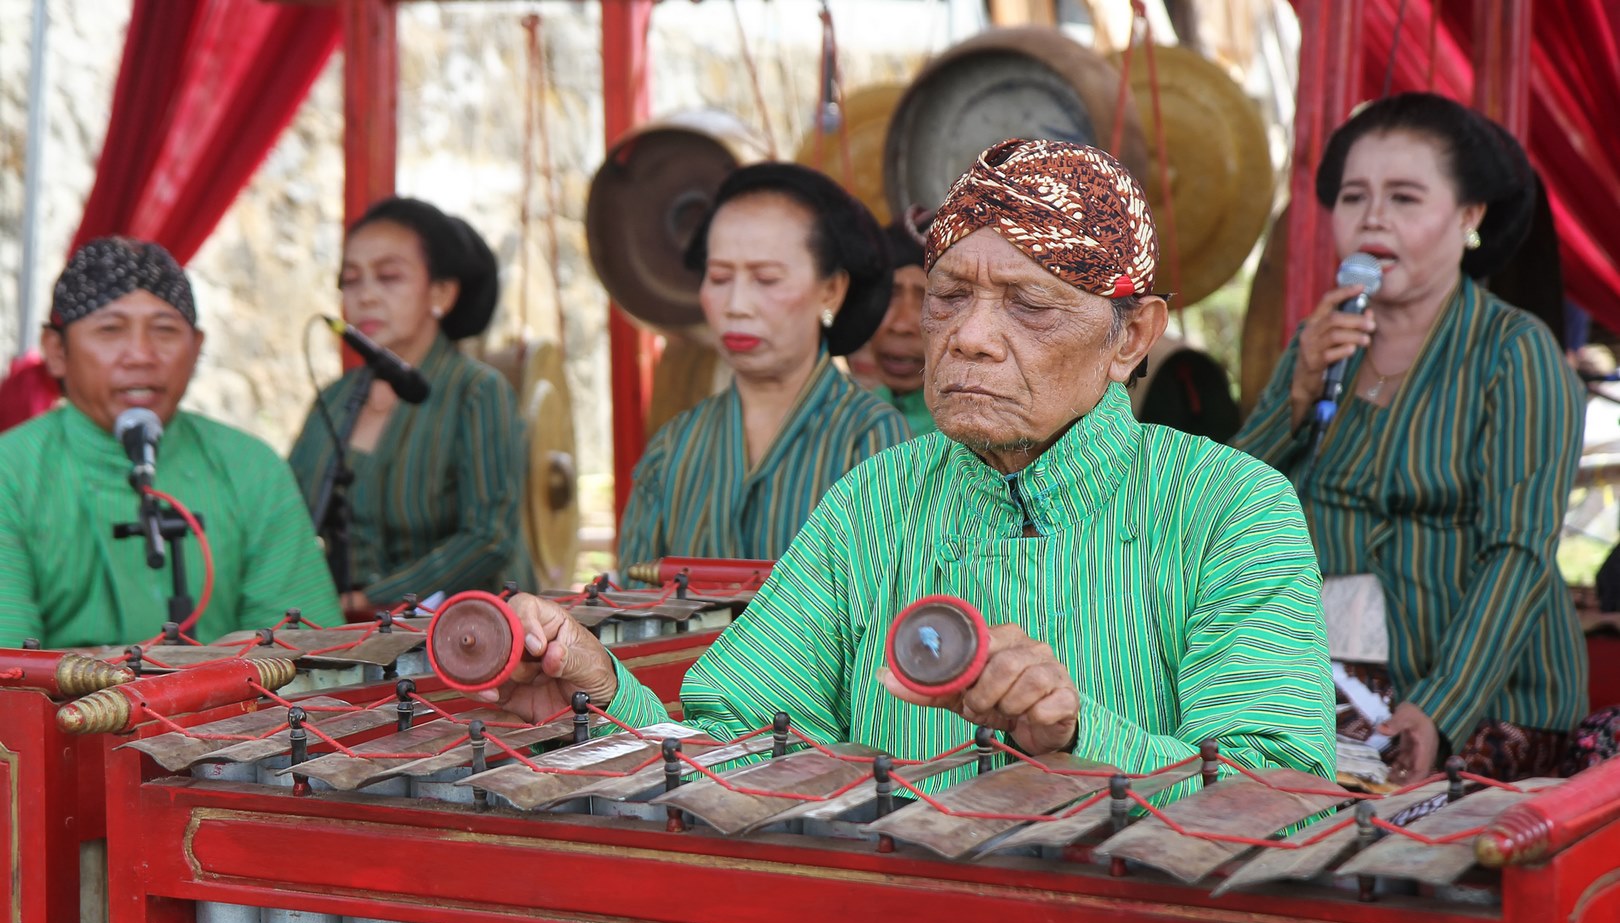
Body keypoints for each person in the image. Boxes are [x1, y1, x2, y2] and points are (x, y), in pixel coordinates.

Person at [486, 140, 1334, 794]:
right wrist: (602, 699)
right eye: (948, 295)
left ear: (1133, 338)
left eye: (1029, 305)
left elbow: (1284, 797)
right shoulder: (876, 501)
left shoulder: (1230, 508)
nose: (967, 335)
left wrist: (1081, 736)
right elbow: (741, 746)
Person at [1233, 93, 1587, 783]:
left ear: (1469, 215)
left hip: (1478, 697)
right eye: (1354, 196)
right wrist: (1296, 396)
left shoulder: (1515, 353)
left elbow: (1519, 552)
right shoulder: (1319, 342)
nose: (1372, 218)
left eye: (1404, 198)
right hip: (1324, 683)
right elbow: (1226, 506)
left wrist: (1440, 709)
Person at [0, 237, 341, 648]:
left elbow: (305, 653)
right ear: (56, 351)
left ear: (196, 349)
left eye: (164, 330)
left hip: (237, 711)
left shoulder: (250, 467)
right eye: (110, 330)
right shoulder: (11, 472)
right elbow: (11, 673)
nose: (141, 354)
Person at [616, 163, 909, 567]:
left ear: (831, 291)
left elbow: (887, 607)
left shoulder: (872, 440)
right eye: (719, 278)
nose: (736, 306)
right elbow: (630, 608)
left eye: (766, 279)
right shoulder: (674, 448)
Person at [288, 197, 532, 618]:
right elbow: (285, 514)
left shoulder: (476, 390)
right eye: (351, 280)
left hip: (463, 635)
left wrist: (370, 600)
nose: (365, 296)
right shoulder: (334, 399)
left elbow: (488, 537)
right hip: (339, 634)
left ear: (441, 292)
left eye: (388, 277)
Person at [849, 211, 936, 437]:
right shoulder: (847, 423)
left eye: (928, 299)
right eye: (889, 295)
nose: (900, 325)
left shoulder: (985, 442)